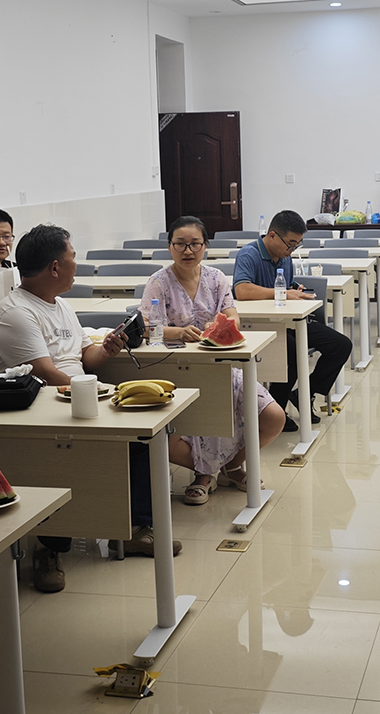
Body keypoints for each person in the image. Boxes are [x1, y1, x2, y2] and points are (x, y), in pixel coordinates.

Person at [0, 223, 179, 593]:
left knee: (142, 436)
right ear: (55, 267)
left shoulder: (60, 305)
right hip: (36, 409)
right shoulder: (16, 312)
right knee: (62, 452)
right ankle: (48, 549)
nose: (78, 265)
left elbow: (83, 358)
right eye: (73, 257)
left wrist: (106, 349)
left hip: (75, 397)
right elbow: (45, 374)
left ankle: (134, 529)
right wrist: (95, 395)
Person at [143, 215, 286, 504]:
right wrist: (178, 332)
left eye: (195, 244)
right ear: (170, 247)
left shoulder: (216, 278)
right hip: (176, 372)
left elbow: (232, 315)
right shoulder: (158, 282)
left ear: (205, 246)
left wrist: (220, 326)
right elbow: (145, 325)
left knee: (274, 417)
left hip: (220, 366)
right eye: (180, 244)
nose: (187, 251)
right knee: (159, 435)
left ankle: (230, 466)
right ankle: (204, 472)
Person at [231, 210, 353, 431]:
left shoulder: (285, 258)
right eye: (290, 244)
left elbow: (286, 286)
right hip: (260, 325)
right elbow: (242, 290)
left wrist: (295, 289)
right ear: (272, 235)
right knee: (292, 352)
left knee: (341, 345)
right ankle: (275, 410)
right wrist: (284, 293)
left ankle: (304, 393)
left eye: (297, 244)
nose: (292, 250)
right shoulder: (249, 254)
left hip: (287, 321)